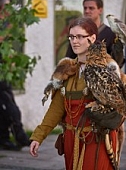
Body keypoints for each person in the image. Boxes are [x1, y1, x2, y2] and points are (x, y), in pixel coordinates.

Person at [30, 17, 124, 170]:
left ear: (92, 38)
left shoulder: (108, 68)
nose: (74, 41)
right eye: (72, 37)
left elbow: (120, 108)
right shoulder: (66, 69)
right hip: (71, 140)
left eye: (80, 36)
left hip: (96, 139)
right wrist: (38, 136)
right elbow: (56, 108)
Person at [0, 0, 30, 150]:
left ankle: (10, 137)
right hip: (1, 74)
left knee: (6, 106)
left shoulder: (5, 25)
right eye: (7, 7)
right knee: (9, 106)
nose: (10, 10)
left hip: (4, 73)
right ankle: (18, 136)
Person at [66, 0, 124, 68]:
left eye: (91, 8)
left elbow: (117, 61)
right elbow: (69, 58)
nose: (87, 11)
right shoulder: (76, 32)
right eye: (85, 8)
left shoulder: (110, 33)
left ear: (100, 10)